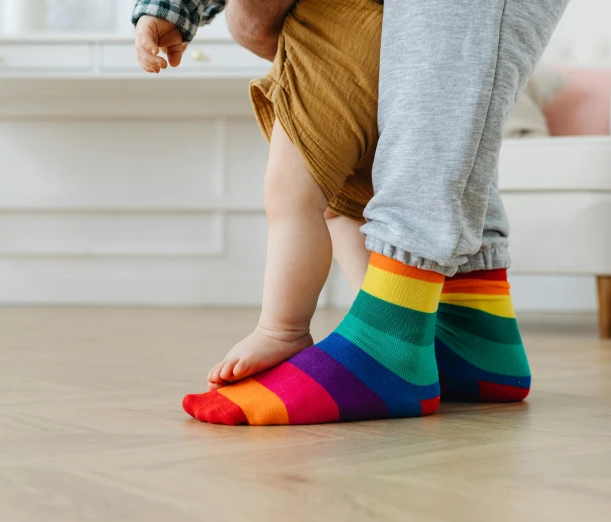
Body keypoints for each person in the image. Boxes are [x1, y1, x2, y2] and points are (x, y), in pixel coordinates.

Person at [132, 0, 569, 425]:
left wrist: (169, 9)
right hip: (380, 26)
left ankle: (342, 337)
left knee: (301, 195)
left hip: (333, 25)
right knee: (408, 153)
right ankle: (461, 336)